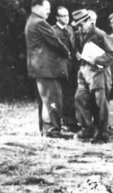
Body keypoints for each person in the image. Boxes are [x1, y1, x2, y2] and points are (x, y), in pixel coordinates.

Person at [25, 0, 71, 138]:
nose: (49, 11)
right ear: (37, 7)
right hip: (47, 69)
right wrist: (67, 52)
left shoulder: (31, 21)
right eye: (46, 8)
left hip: (40, 68)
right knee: (53, 100)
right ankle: (53, 132)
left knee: (46, 101)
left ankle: (47, 130)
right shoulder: (39, 23)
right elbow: (55, 42)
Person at [72, 9, 113, 143]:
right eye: (77, 25)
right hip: (84, 71)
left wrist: (96, 60)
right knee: (80, 98)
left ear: (88, 21)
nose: (79, 28)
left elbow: (112, 54)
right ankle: (87, 128)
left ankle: (102, 133)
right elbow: (78, 49)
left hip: (99, 73)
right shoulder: (79, 33)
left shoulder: (100, 34)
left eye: (81, 24)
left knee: (100, 104)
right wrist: (78, 54)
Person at [51, 6, 79, 133]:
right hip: (60, 68)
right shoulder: (53, 31)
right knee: (63, 94)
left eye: (67, 15)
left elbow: (73, 47)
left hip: (72, 66)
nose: (66, 18)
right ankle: (65, 121)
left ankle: (71, 121)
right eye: (63, 16)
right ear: (57, 17)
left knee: (72, 93)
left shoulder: (70, 29)